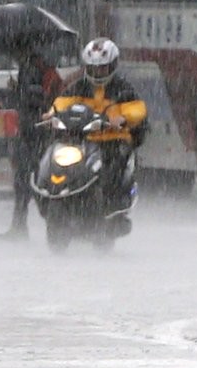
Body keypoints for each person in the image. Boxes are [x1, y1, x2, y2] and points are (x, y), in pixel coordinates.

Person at [48, 38, 147, 236]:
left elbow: (138, 110)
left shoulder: (122, 88)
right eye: (93, 68)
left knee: (112, 172)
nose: (97, 72)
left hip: (111, 141)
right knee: (54, 161)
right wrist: (51, 113)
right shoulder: (79, 86)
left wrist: (122, 117)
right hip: (83, 139)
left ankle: (113, 209)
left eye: (102, 68)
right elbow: (62, 102)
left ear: (112, 66)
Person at [0, 47, 62, 241]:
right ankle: (38, 224)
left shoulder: (31, 69)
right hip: (37, 131)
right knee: (32, 181)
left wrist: (16, 90)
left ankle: (42, 225)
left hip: (31, 132)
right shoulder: (42, 69)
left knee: (28, 181)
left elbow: (32, 100)